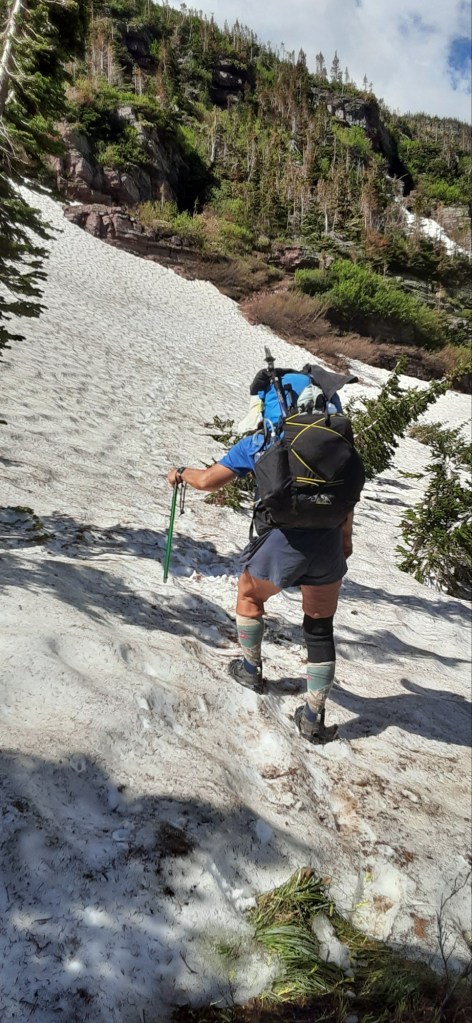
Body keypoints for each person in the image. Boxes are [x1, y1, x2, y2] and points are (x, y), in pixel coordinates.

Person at [167, 430, 355, 746]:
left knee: (250, 596)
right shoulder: (336, 444)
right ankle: (313, 718)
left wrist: (181, 473)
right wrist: (344, 542)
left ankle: (250, 669)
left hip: (282, 543)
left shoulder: (262, 443)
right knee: (320, 628)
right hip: (328, 545)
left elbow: (208, 481)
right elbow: (347, 500)